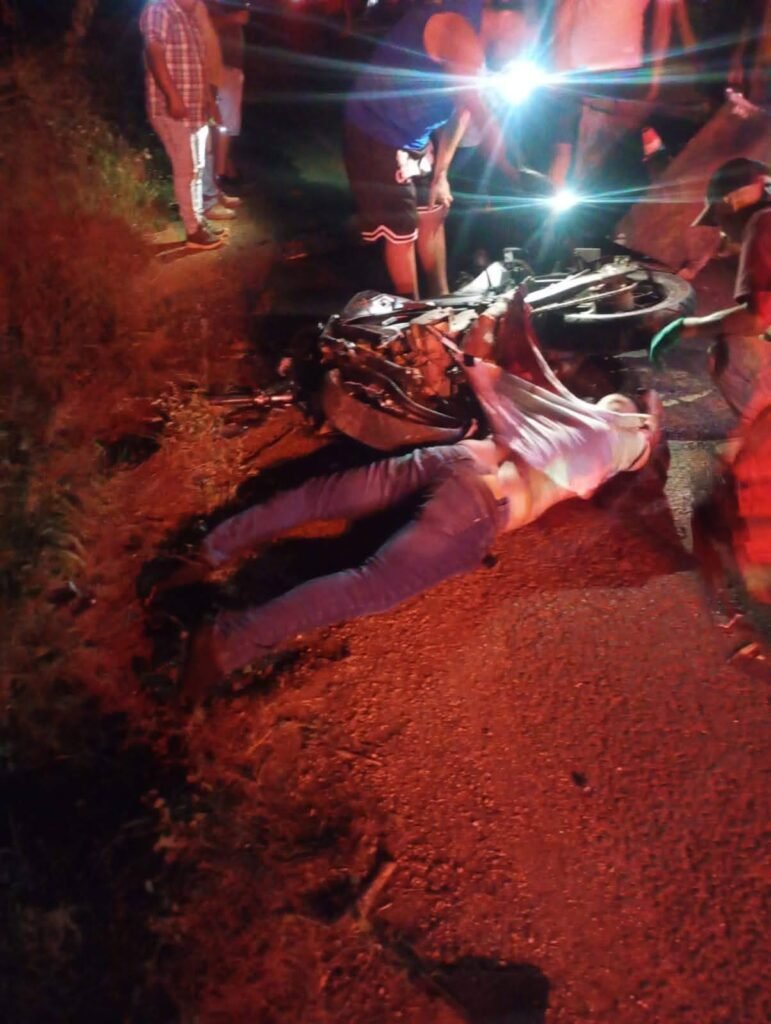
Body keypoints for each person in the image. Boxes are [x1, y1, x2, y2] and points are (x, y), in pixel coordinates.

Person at [174, 308, 662, 699]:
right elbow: (637, 443)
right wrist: (649, 425)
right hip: (480, 506)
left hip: (457, 458)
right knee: (366, 586)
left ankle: (207, 550)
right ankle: (225, 645)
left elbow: (568, 400)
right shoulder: (612, 446)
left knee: (322, 497)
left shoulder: (569, 412)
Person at [343, 0, 549, 300]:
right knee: (402, 229)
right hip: (375, 128)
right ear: (507, 20)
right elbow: (481, 114)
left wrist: (441, 174)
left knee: (434, 211)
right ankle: (412, 312)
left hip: (415, 134)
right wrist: (515, 172)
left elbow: (461, 113)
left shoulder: (479, 40)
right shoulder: (458, 30)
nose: (519, 54)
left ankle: (442, 298)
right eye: (522, 44)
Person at [650, 157, 771, 601]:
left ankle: (758, 581)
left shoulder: (761, 224)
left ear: (731, 201)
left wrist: (690, 328)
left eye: (719, 219)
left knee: (754, 472)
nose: (722, 233)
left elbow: (758, 316)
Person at [552, 0, 675, 183]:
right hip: (583, 70)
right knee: (570, 154)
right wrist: (560, 64)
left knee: (615, 158)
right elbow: (565, 8)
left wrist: (655, 77)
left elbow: (662, 25)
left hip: (626, 73)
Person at [140, 0, 223, 250]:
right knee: (186, 169)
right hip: (172, 109)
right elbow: (154, 52)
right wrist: (172, 95)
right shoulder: (159, 9)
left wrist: (210, 102)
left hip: (195, 110)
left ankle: (197, 220)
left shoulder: (188, 18)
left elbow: (199, 65)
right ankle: (192, 231)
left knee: (197, 168)